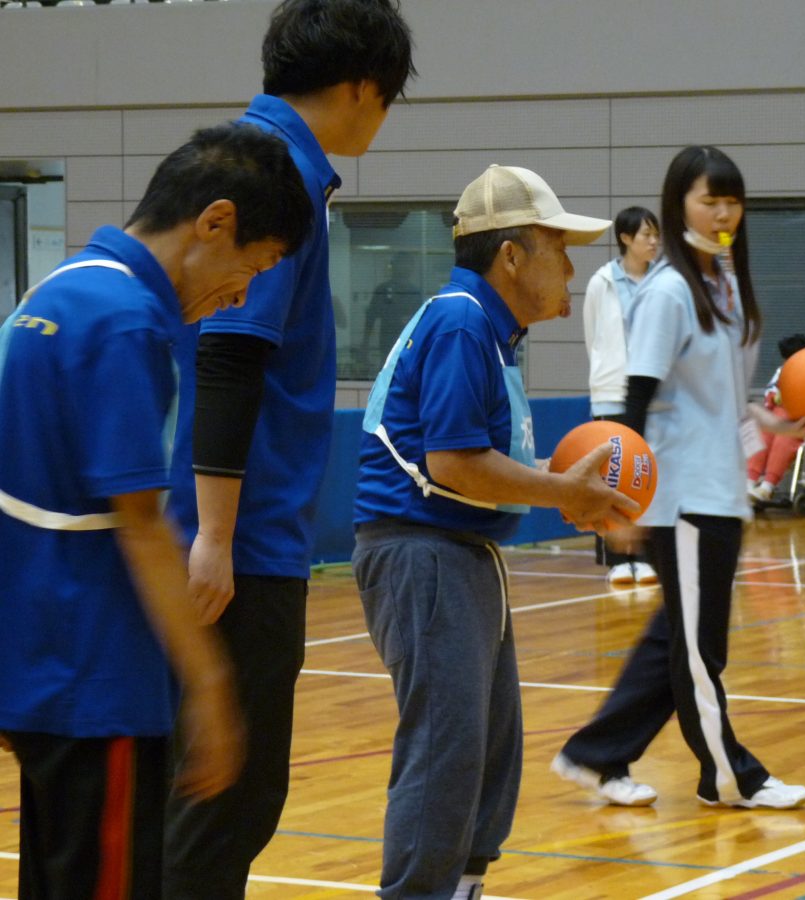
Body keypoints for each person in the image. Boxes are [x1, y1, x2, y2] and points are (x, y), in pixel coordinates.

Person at [0, 122, 312, 899]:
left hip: (35, 671)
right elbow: (141, 522)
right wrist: (210, 689)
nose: (240, 296)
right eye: (256, 267)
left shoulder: (56, 292)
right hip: (96, 679)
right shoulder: (127, 320)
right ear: (215, 222)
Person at [163, 2, 416, 896]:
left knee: (214, 793)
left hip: (232, 532)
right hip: (239, 544)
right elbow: (231, 356)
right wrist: (215, 538)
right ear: (359, 88)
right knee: (227, 796)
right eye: (386, 100)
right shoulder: (277, 176)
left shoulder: (247, 155)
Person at [353, 164, 639, 900]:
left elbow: (485, 462)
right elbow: (451, 462)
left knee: (488, 751)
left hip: (459, 552)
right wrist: (561, 492)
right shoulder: (460, 320)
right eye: (559, 248)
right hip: (422, 553)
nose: (572, 269)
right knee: (446, 752)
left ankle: (463, 887)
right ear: (511, 255)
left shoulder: (486, 329)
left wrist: (571, 490)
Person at [552, 145, 805, 810]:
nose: (723, 211)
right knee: (702, 650)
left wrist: (778, 424)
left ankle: (595, 755)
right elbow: (636, 401)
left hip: (721, 490)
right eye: (710, 199)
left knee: (676, 640)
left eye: (732, 199)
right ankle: (728, 776)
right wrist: (622, 506)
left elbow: (720, 397)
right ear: (680, 203)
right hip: (678, 498)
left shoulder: (725, 286)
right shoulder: (670, 290)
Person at [583, 205, 661, 587]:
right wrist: (605, 377)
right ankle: (616, 558)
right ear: (626, 238)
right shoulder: (603, 281)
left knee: (646, 475)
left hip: (650, 395)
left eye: (656, 235)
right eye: (646, 234)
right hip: (612, 394)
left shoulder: (663, 283)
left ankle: (644, 557)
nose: (653, 242)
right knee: (615, 477)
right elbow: (593, 337)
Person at [747, 331, 805, 502]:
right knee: (762, 433)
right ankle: (749, 481)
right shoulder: (782, 371)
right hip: (777, 418)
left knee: (783, 437)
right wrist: (775, 398)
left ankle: (767, 486)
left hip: (800, 422)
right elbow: (771, 393)